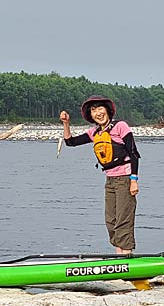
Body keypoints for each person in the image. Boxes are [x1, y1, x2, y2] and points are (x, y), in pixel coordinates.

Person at [59, 95, 141, 254]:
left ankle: (127, 256)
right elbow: (70, 142)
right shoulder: (94, 132)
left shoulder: (120, 126)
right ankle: (120, 258)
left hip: (125, 178)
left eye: (100, 108)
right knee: (111, 221)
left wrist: (134, 180)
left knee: (123, 220)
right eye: (93, 110)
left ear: (107, 110)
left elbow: (133, 153)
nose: (97, 113)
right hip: (110, 180)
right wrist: (66, 123)